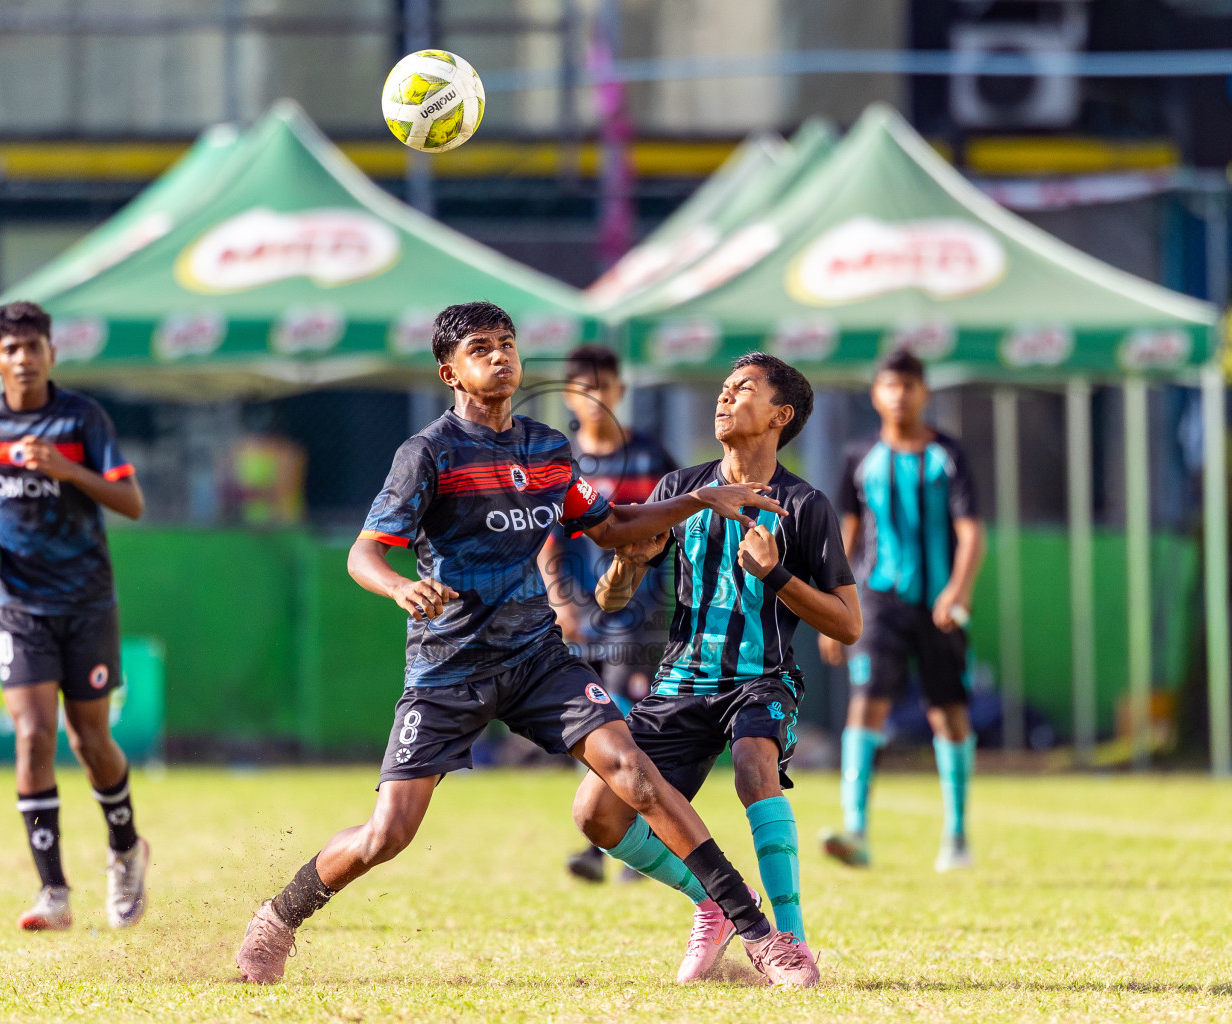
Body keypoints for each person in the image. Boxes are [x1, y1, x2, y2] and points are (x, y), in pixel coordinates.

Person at [234, 302, 819, 988]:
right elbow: (365, 553)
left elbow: (611, 525)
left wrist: (701, 498)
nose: (501, 356)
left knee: (634, 774)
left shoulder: (546, 448)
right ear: (449, 370)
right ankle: (277, 918)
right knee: (387, 834)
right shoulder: (427, 453)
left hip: (539, 658)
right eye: (482, 347)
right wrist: (397, 588)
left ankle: (760, 936)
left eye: (508, 344)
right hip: (449, 665)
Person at [569, 353, 861, 983]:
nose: (724, 400)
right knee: (595, 815)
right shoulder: (680, 491)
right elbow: (608, 600)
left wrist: (777, 574)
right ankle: (716, 904)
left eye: (743, 390)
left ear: (780, 415)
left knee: (756, 764)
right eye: (723, 390)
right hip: (680, 680)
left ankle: (792, 941)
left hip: (763, 679)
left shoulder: (804, 505)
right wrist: (633, 561)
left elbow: (848, 623)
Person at [0, 300, 148, 931]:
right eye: (11, 349)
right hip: (20, 605)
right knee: (32, 734)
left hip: (87, 602)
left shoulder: (81, 419)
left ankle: (126, 850)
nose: (24, 358)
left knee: (87, 740)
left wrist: (66, 469)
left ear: (50, 354)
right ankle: (54, 893)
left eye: (33, 346)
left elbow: (131, 502)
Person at [818, 349, 986, 873]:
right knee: (867, 703)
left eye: (909, 386)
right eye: (890, 385)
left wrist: (957, 590)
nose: (899, 395)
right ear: (876, 394)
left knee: (949, 714)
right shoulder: (859, 456)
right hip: (878, 602)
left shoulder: (948, 454)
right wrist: (832, 606)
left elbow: (972, 532)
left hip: (937, 604)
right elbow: (843, 536)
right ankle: (856, 831)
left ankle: (956, 835)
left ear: (924, 393)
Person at [537, 344, 677, 885]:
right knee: (593, 726)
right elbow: (545, 538)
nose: (595, 397)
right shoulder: (558, 460)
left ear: (621, 392)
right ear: (571, 395)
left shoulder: (651, 458)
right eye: (584, 387)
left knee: (619, 718)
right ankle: (619, 837)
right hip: (579, 616)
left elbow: (673, 530)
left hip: (638, 617)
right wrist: (560, 602)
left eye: (605, 387)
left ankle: (606, 842)